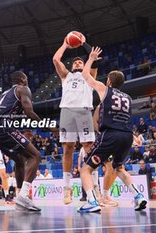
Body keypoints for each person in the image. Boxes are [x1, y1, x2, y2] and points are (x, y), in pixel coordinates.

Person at [78, 47, 147, 213]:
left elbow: (85, 76)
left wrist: (91, 58)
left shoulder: (105, 90)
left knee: (86, 169)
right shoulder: (128, 98)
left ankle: (92, 201)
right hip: (126, 136)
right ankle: (138, 196)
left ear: (109, 81)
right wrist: (134, 136)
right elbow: (126, 120)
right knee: (119, 168)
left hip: (111, 134)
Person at [0, 71, 50, 212]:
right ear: (23, 79)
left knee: (20, 159)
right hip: (4, 128)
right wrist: (48, 126)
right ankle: (23, 196)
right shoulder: (23, 89)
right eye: (26, 78)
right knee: (36, 156)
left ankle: (20, 196)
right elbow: (29, 112)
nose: (27, 81)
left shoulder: (5, 93)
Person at [53, 34, 98, 204]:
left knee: (89, 147)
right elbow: (56, 59)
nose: (78, 62)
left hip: (84, 110)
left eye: (81, 61)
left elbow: (96, 60)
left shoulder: (89, 74)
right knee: (68, 149)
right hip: (67, 111)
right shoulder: (66, 76)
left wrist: (83, 42)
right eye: (75, 62)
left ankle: (94, 188)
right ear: (71, 66)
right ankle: (67, 189)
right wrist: (65, 43)